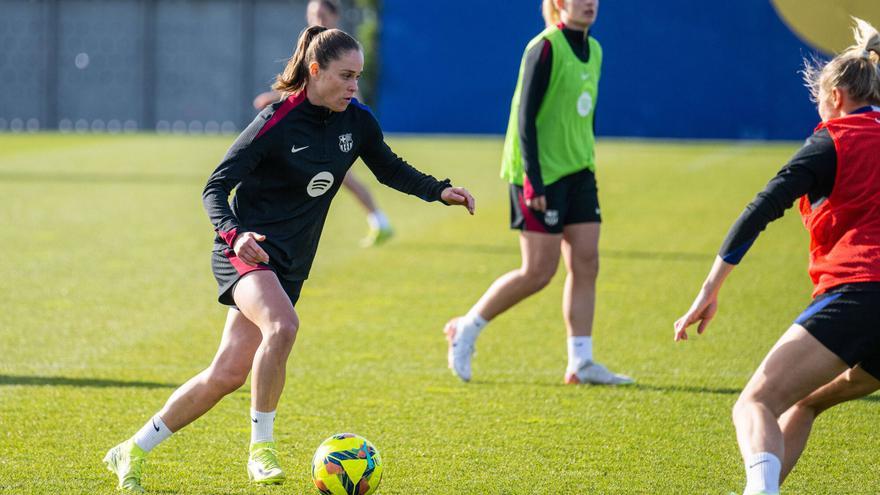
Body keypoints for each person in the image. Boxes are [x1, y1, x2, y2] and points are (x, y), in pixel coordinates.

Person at [103, 26, 475, 493]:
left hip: (289, 264)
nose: (353, 86)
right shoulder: (277, 120)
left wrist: (438, 190)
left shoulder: (356, 121)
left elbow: (390, 167)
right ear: (315, 71)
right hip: (245, 251)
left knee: (227, 374)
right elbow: (215, 186)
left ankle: (131, 449)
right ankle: (262, 449)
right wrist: (235, 236)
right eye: (344, 76)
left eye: (358, 77)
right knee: (284, 327)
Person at [674, 18, 880, 495]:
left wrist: (709, 290)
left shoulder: (834, 140)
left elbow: (759, 210)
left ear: (834, 99)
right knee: (803, 402)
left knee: (754, 404)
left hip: (859, 292)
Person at [444, 0, 631, 386]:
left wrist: (586, 159)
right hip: (539, 173)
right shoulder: (544, 47)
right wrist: (534, 179)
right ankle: (467, 327)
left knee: (587, 261)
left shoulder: (595, 50)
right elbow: (524, 115)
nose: (589, 4)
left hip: (579, 171)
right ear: (560, 4)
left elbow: (584, 114)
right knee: (538, 271)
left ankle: (581, 362)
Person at [254, 0, 394, 247]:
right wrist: (277, 97)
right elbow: (305, 90)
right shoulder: (314, 47)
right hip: (319, 123)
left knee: (339, 176)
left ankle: (379, 221)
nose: (315, 19)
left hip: (336, 122)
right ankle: (378, 221)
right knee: (337, 177)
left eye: (320, 13)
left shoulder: (339, 48)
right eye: (311, 14)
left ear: (335, 15)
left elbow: (332, 90)